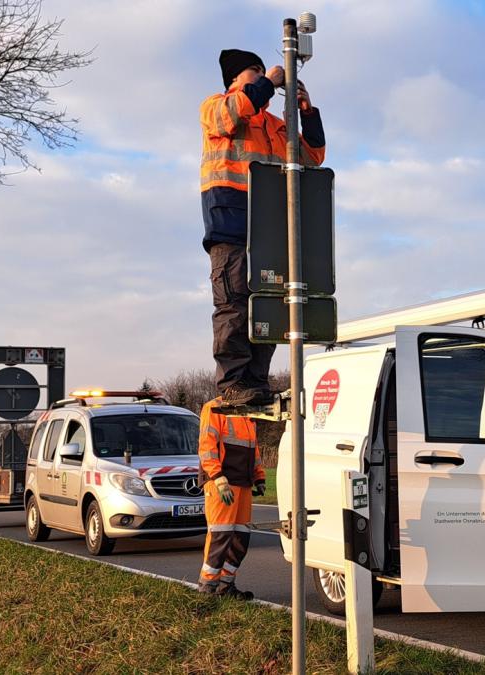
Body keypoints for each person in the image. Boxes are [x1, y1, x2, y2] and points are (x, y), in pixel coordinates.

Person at [201, 48, 327, 406]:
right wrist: (269, 82)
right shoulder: (216, 106)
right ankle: (232, 383)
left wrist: (306, 112)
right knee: (234, 306)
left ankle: (256, 382)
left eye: (261, 71)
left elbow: (313, 157)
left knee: (268, 307)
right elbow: (231, 113)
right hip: (231, 224)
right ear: (234, 78)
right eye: (252, 71)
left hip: (269, 230)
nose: (260, 75)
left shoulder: (275, 124)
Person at [196, 396, 268, 597]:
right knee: (220, 535)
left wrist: (259, 476)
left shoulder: (247, 411)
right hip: (222, 483)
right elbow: (206, 447)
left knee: (240, 538)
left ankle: (225, 586)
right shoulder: (214, 408)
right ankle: (207, 588)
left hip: (243, 483)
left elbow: (253, 448)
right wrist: (218, 477)